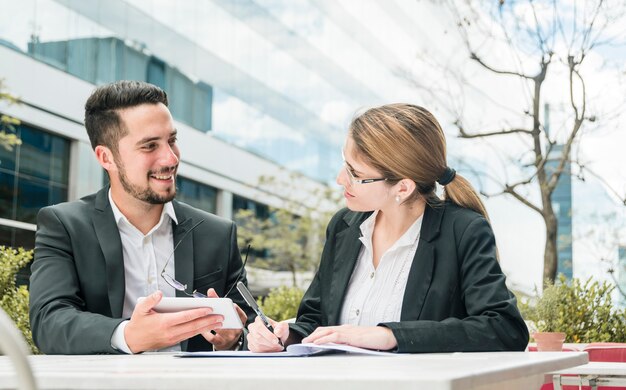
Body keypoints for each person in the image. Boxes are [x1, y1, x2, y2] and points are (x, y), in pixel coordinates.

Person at [247, 103, 529, 353]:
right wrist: (287, 334)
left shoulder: (463, 231)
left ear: (403, 187)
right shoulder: (343, 227)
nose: (339, 179)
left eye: (355, 173)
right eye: (345, 165)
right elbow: (316, 320)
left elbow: (504, 329)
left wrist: (390, 335)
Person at [29, 80, 254, 354]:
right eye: (149, 146)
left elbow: (249, 324)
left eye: (171, 140)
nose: (170, 159)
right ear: (106, 157)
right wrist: (128, 335)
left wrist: (233, 339)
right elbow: (49, 321)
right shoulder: (64, 225)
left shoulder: (217, 233)